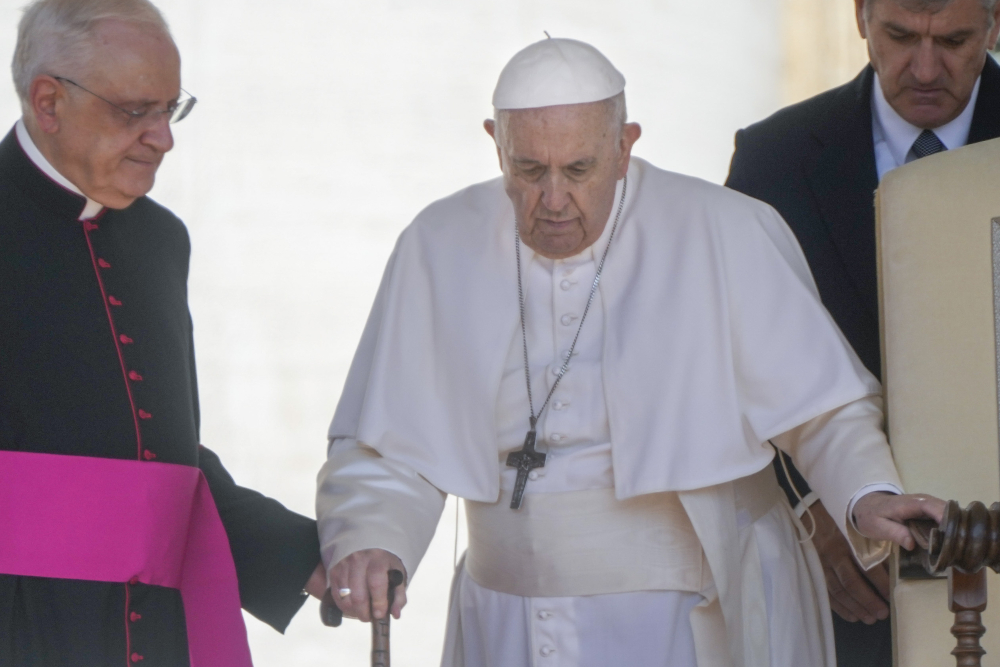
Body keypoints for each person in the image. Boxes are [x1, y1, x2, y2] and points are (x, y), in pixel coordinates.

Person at [316, 37, 945, 667]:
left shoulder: (723, 230)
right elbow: (390, 442)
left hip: (691, 619)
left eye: (579, 170)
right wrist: (374, 536)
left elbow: (823, 408)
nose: (554, 199)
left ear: (625, 146)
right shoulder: (437, 243)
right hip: (505, 623)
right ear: (495, 145)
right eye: (530, 171)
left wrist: (867, 493)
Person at [0, 1, 326, 665]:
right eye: (135, 111)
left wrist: (306, 557)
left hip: (158, 633)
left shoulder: (159, 239)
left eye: (171, 109)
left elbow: (160, 461)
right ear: (48, 101)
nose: (164, 137)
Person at [725, 0, 1000, 664]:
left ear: (995, 22)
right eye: (901, 36)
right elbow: (731, 355)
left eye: (955, 40)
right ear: (860, 17)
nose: (926, 67)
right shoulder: (774, 159)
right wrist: (815, 515)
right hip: (849, 583)